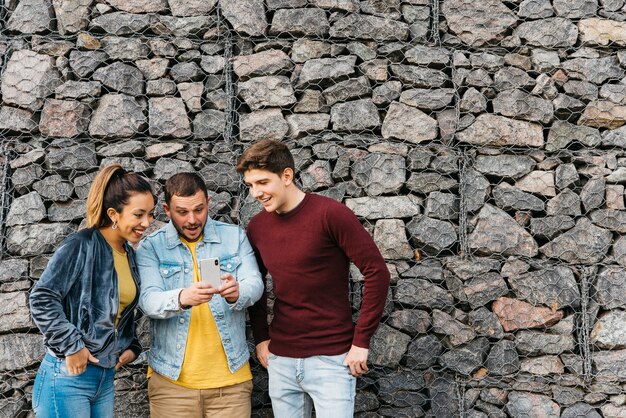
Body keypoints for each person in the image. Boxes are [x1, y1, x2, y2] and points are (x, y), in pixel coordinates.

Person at [236, 139, 391, 417]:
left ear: (286, 176)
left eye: (262, 182)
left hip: (332, 359)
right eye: (250, 185)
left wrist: (361, 342)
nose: (256, 193)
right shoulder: (258, 227)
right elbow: (255, 285)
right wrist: (261, 338)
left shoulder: (330, 214)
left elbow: (377, 272)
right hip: (281, 360)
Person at [29, 164, 156, 418]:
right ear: (114, 214)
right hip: (67, 376)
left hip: (104, 379)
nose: (147, 223)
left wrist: (130, 346)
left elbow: (119, 312)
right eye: (139, 215)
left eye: (150, 214)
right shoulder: (82, 244)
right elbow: (42, 298)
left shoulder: (129, 254)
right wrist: (72, 346)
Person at [136, 172, 263, 417]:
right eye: (182, 212)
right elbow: (148, 301)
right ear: (167, 209)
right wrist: (182, 297)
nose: (192, 219)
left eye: (199, 209)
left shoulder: (233, 236)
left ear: (209, 202)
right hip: (172, 384)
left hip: (231, 383)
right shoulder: (151, 246)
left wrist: (237, 293)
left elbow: (255, 284)